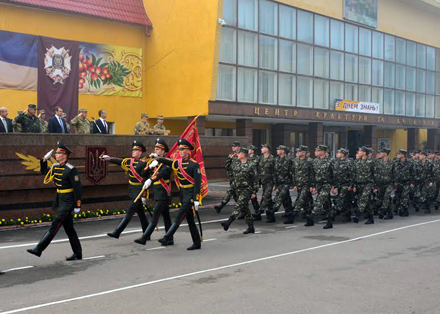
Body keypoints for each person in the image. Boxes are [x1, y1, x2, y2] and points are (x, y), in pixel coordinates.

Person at [27, 141, 82, 260]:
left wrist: (77, 205)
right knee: (69, 229)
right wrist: (43, 160)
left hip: (68, 201)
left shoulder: (71, 169)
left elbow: (77, 189)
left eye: (58, 153)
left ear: (64, 155)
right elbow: (44, 172)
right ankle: (78, 253)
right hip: (61, 200)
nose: (56, 155)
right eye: (56, 153)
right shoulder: (55, 167)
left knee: (55, 224)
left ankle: (39, 249)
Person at [151, 138, 202, 250]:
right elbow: (169, 162)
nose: (181, 152)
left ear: (188, 150)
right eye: (180, 149)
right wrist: (158, 158)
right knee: (190, 220)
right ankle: (197, 242)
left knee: (179, 216)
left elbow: (198, 183)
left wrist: (196, 199)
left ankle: (167, 237)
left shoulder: (194, 165)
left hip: (190, 196)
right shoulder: (178, 163)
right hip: (183, 194)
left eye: (183, 149)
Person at [102, 141, 149, 239]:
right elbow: (120, 161)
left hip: (139, 191)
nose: (133, 151)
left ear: (140, 152)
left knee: (130, 212)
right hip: (132, 190)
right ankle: (147, 233)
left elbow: (145, 180)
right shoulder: (129, 161)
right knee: (141, 214)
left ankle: (117, 232)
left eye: (136, 150)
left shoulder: (143, 163)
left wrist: (144, 195)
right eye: (133, 150)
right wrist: (108, 158)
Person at [134, 138, 173, 246]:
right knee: (166, 216)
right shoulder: (153, 162)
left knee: (155, 216)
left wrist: (151, 179)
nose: (155, 150)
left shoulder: (167, 162)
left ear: (163, 151)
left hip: (164, 193)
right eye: (155, 148)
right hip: (158, 193)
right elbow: (142, 174)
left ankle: (144, 238)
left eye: (158, 149)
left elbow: (162, 174)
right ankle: (169, 238)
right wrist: (149, 167)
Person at [221, 147, 258, 234]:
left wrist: (254, 192)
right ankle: (251, 227)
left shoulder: (251, 165)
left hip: (247, 190)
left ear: (244, 154)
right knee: (244, 208)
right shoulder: (237, 164)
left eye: (239, 153)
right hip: (238, 189)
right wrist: (230, 158)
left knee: (239, 205)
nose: (237, 154)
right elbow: (227, 167)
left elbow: (256, 179)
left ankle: (228, 222)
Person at [308, 145, 334, 229]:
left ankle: (311, 216)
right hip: (318, 184)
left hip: (327, 184)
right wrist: (313, 186)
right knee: (326, 203)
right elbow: (312, 174)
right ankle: (329, 221)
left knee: (319, 200)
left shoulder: (330, 162)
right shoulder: (315, 161)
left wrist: (335, 186)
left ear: (323, 152)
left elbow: (334, 175)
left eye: (318, 150)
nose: (316, 152)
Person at [266, 145, 293, 224]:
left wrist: (293, 183)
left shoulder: (288, 160)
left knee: (279, 198)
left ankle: (271, 212)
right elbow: (275, 172)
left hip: (286, 183)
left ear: (283, 151)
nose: (277, 150)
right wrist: (275, 184)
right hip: (279, 183)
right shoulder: (276, 160)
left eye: (279, 149)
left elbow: (292, 172)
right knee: (286, 200)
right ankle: (290, 216)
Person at [214, 141, 240, 213]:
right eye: (232, 146)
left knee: (231, 192)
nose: (233, 147)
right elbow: (227, 167)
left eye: (234, 146)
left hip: (239, 178)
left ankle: (221, 206)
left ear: (238, 147)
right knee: (235, 195)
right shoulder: (231, 155)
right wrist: (230, 159)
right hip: (232, 178)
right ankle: (242, 210)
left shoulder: (241, 155)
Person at [352, 146, 375, 224]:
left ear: (364, 153)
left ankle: (358, 215)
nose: (359, 152)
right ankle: (371, 217)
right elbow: (355, 174)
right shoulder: (357, 162)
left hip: (368, 183)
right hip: (359, 183)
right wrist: (354, 186)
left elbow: (375, 174)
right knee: (366, 201)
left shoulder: (371, 162)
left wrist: (375, 186)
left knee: (363, 198)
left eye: (360, 151)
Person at [331, 148, 355, 222]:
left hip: (346, 184)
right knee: (343, 200)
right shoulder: (336, 162)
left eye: (339, 153)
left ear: (343, 154)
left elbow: (352, 174)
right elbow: (334, 174)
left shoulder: (348, 162)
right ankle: (345, 213)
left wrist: (351, 185)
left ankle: (336, 213)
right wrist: (334, 186)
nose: (337, 154)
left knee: (343, 199)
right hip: (338, 184)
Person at [253, 144, 275, 221]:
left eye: (263, 148)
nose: (261, 149)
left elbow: (275, 172)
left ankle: (259, 212)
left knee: (266, 196)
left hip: (270, 181)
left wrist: (275, 184)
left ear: (267, 149)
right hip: (263, 181)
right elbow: (259, 171)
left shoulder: (272, 159)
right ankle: (271, 217)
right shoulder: (261, 158)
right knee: (268, 199)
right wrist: (258, 182)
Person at [292, 145, 313, 221]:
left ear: (304, 153)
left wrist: (312, 185)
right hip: (298, 184)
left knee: (301, 198)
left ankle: (294, 213)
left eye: (299, 151)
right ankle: (308, 215)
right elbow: (294, 173)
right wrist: (294, 184)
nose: (298, 152)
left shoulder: (310, 161)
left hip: (306, 184)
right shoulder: (296, 161)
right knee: (305, 200)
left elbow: (312, 174)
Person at [374, 148, 395, 219]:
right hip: (381, 184)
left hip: (389, 183)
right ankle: (390, 214)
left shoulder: (392, 162)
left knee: (386, 196)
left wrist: (395, 184)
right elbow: (375, 172)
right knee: (384, 198)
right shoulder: (378, 162)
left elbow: (395, 173)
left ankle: (382, 210)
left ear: (385, 153)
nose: (380, 153)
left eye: (382, 152)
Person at [393, 149, 414, 217]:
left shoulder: (410, 162)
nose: (398, 155)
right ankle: (403, 209)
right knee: (398, 197)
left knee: (404, 196)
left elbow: (413, 173)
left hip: (406, 182)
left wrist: (412, 182)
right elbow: (393, 173)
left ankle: (403, 210)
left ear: (403, 155)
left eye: (399, 154)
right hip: (398, 183)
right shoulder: (395, 162)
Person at [248, 145, 261, 214]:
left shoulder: (257, 158)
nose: (248, 150)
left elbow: (260, 170)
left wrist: (259, 182)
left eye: (250, 149)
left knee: (253, 196)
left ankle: (257, 211)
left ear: (252, 151)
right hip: (248, 180)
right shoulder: (247, 158)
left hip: (255, 180)